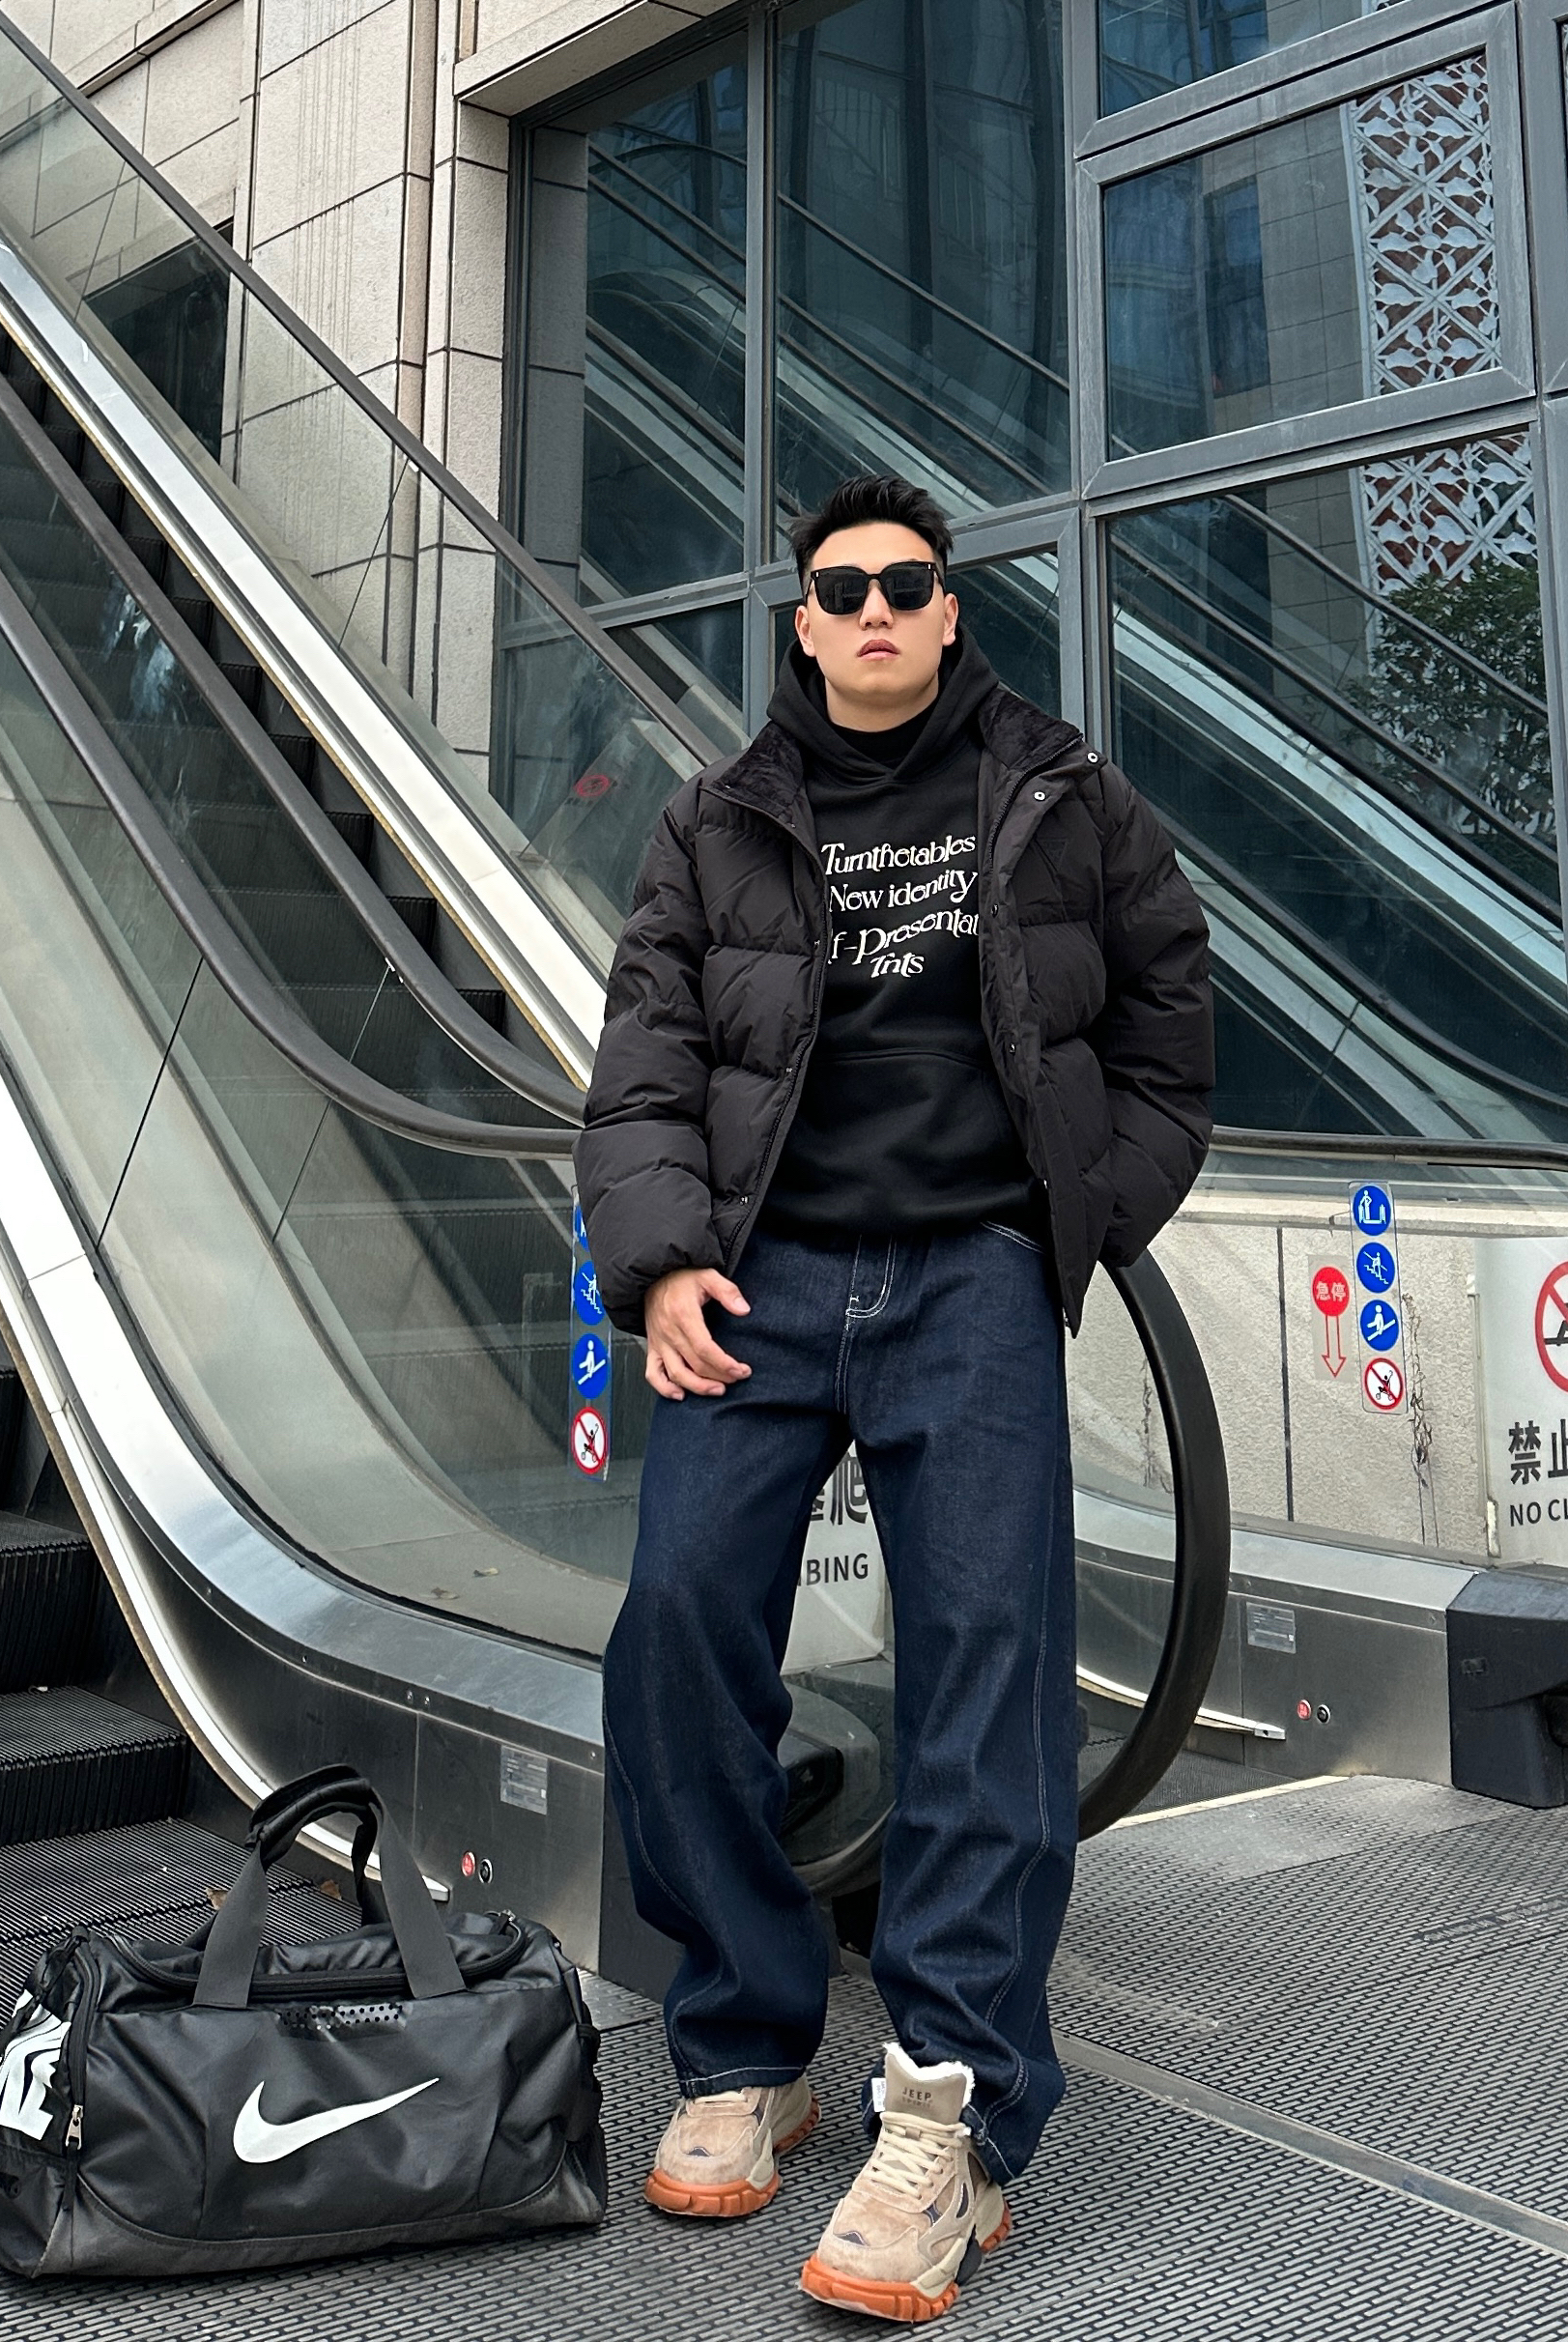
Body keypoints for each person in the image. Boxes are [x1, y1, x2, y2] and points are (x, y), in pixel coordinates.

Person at [574, 473, 1214, 2323]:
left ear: (948, 613)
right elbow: (644, 1062)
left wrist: (1073, 1217)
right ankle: (742, 2040)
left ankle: (953, 2107)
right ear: (801, 620)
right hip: (757, 1280)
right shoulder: (713, 820)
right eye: (841, 587)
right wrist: (662, 1262)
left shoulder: (1063, 795)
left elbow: (1171, 1022)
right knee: (678, 1622)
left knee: (986, 1665)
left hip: (967, 1279)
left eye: (905, 585)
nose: (872, 610)